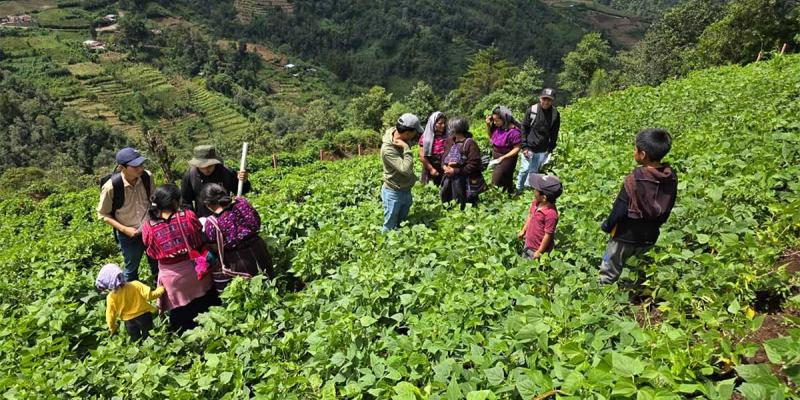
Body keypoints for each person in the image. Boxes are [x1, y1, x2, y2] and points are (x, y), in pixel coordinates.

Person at [598, 128, 678, 285]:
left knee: (611, 265)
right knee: (635, 267)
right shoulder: (670, 177)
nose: (633, 151)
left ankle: (603, 295)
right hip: (650, 235)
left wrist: (607, 225)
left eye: (635, 149)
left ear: (643, 155)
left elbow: (619, 210)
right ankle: (630, 292)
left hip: (624, 235)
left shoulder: (634, 179)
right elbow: (668, 205)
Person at [141, 184, 220, 331]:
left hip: (172, 279)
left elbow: (150, 251)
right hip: (196, 270)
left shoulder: (148, 228)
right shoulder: (188, 216)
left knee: (181, 317)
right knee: (207, 307)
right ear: (175, 202)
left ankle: (187, 344)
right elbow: (199, 238)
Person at [97, 147, 158, 283]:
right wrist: (125, 230)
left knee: (157, 262)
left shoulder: (147, 177)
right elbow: (103, 214)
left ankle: (160, 291)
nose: (140, 168)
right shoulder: (111, 187)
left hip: (150, 228)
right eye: (135, 166)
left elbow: (154, 199)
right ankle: (132, 296)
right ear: (121, 168)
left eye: (141, 164)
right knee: (131, 268)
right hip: (128, 233)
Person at [201, 183, 274, 292]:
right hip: (259, 247)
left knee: (252, 290)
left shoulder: (212, 223)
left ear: (207, 204)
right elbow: (257, 220)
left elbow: (215, 248)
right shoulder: (242, 203)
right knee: (271, 280)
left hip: (238, 258)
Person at [96, 263, 165, 341]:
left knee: (135, 340)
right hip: (144, 316)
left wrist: (112, 328)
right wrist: (161, 289)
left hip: (128, 321)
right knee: (149, 337)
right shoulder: (135, 285)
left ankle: (139, 352)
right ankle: (151, 349)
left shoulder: (111, 297)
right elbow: (150, 296)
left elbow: (110, 315)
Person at [181, 145, 251, 219]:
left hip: (226, 218)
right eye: (202, 167)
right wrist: (193, 219)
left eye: (209, 166)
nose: (206, 170)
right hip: (203, 219)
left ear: (215, 163)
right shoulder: (190, 175)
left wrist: (244, 181)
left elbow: (242, 190)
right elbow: (185, 201)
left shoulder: (226, 172)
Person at [380, 113, 422, 232]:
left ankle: (398, 244)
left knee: (402, 222)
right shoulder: (387, 149)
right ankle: (383, 246)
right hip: (393, 191)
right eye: (414, 132)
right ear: (407, 133)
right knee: (390, 224)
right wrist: (406, 149)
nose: (416, 135)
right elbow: (405, 169)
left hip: (405, 188)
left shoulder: (402, 137)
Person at [517, 88, 561, 194]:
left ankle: (528, 189)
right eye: (544, 99)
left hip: (542, 148)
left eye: (549, 100)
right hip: (529, 146)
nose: (546, 102)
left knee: (533, 171)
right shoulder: (532, 110)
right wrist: (524, 146)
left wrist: (550, 148)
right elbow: (524, 128)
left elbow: (554, 132)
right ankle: (519, 189)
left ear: (553, 101)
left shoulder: (555, 114)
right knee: (525, 169)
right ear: (540, 98)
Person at [440, 117, 486, 209]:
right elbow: (444, 157)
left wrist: (455, 171)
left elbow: (473, 164)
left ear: (457, 129)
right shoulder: (450, 141)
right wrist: (444, 166)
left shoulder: (470, 143)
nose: (449, 129)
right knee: (449, 199)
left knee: (465, 204)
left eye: (451, 127)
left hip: (465, 180)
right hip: (450, 178)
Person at [518, 174, 562, 260]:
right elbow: (530, 216)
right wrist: (523, 230)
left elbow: (548, 235)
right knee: (524, 264)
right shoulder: (536, 203)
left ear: (544, 197)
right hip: (528, 243)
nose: (534, 191)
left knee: (534, 270)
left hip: (537, 248)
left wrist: (539, 251)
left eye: (536, 190)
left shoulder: (551, 214)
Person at [486, 106, 522, 194]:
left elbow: (517, 148)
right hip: (497, 157)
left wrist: (504, 157)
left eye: (497, 120)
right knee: (506, 179)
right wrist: (488, 124)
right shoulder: (498, 127)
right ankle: (510, 194)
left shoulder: (514, 132)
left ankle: (496, 198)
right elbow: (491, 136)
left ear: (504, 118)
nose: (495, 122)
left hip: (507, 158)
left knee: (496, 180)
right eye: (493, 120)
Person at [418, 112, 448, 186]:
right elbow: (422, 156)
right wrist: (431, 169)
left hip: (444, 167)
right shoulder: (425, 137)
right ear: (433, 123)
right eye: (440, 123)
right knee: (430, 189)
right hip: (430, 167)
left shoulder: (447, 135)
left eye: (444, 123)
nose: (443, 125)